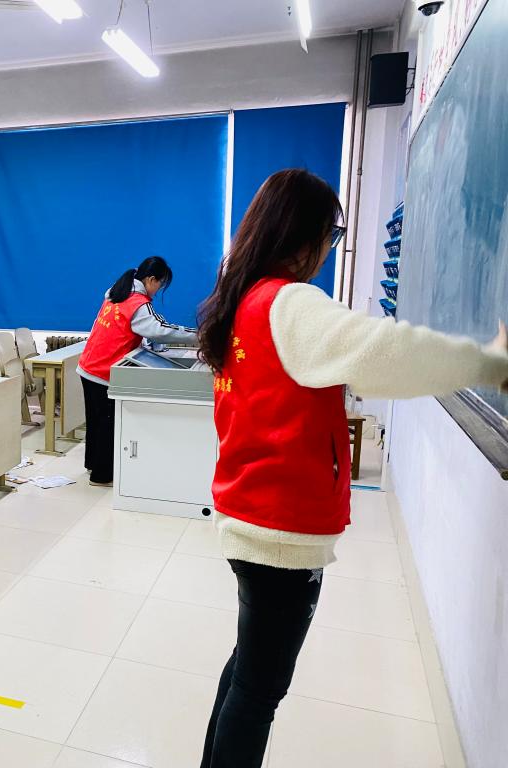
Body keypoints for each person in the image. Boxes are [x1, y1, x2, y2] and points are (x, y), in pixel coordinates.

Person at [196, 168, 508, 768]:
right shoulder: (289, 304)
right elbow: (386, 352)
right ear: (304, 233)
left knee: (247, 673)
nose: (327, 251)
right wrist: (489, 362)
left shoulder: (244, 300)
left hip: (249, 516)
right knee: (258, 692)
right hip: (280, 531)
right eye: (331, 236)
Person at [77, 256, 197, 486]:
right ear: (151, 279)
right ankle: (101, 476)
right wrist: (199, 335)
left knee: (96, 421)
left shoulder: (117, 292)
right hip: (104, 370)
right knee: (108, 424)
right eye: (160, 284)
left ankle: (93, 464)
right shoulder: (138, 302)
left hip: (89, 364)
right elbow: (160, 330)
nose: (158, 290)